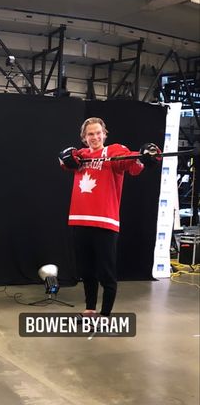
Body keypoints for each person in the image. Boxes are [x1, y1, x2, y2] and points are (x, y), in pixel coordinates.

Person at [59, 117, 161, 318]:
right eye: (90, 134)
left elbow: (132, 163)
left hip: (105, 222)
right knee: (87, 271)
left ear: (104, 134)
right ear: (84, 137)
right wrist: (64, 156)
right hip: (79, 220)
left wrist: (144, 155)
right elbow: (64, 162)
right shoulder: (80, 155)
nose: (95, 137)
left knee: (106, 272)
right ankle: (90, 310)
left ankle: (105, 316)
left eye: (98, 133)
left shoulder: (113, 151)